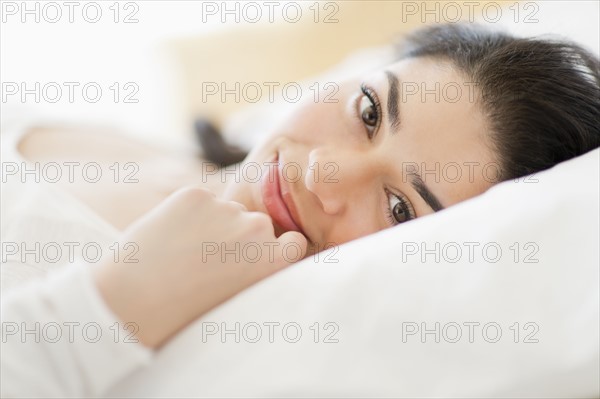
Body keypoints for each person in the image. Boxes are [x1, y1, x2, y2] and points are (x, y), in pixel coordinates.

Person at [2, 23, 599, 397]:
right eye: (369, 112)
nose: (322, 175)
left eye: (398, 208)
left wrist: (105, 310)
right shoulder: (154, 143)